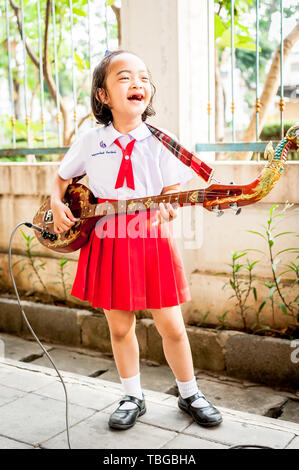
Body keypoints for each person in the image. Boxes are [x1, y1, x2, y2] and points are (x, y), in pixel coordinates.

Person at [50, 49, 222, 430]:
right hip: (107, 240)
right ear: (103, 95)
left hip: (151, 240)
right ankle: (132, 395)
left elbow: (171, 188)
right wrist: (54, 200)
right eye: (124, 77)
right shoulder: (91, 140)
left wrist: (169, 205)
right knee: (120, 327)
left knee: (172, 326)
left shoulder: (163, 140)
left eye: (143, 77)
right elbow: (62, 176)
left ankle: (189, 392)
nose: (137, 83)